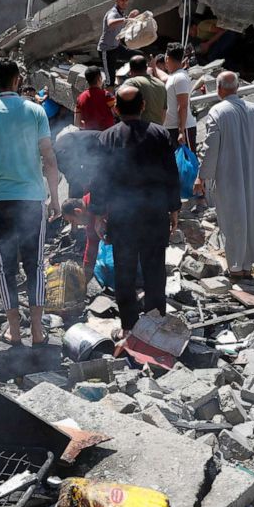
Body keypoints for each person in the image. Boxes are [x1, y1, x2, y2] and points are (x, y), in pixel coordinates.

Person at [0, 58, 61, 346]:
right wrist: (55, 197)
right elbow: (48, 157)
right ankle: (36, 330)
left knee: (5, 266)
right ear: (17, 80)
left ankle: (13, 331)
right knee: (34, 265)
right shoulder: (36, 111)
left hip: (1, 201)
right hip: (33, 200)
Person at [89, 85, 180, 337]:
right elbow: (171, 174)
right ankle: (155, 324)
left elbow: (100, 179)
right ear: (142, 106)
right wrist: (174, 209)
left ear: (116, 109)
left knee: (125, 271)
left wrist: (97, 213)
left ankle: (128, 326)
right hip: (154, 213)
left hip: (122, 216)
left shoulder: (106, 138)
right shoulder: (160, 134)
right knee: (155, 270)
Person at [196, 71, 254, 278]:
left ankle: (236, 268)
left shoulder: (218, 112)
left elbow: (211, 148)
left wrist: (202, 176)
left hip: (229, 176)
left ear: (219, 89)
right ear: (236, 88)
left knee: (233, 220)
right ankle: (250, 265)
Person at [97, 0, 139, 88]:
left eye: (126, 0)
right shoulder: (113, 13)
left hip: (116, 47)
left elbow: (122, 29)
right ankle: (108, 100)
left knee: (138, 56)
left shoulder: (121, 13)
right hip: (106, 50)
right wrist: (126, 19)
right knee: (110, 81)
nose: (124, 3)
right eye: (122, 0)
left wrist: (130, 18)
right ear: (116, 0)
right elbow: (111, 23)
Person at [163, 44, 198, 152]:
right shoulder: (173, 76)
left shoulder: (180, 77)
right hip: (172, 127)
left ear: (167, 58)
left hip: (183, 128)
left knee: (188, 164)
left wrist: (181, 131)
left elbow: (182, 105)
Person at [62, 195, 101, 282]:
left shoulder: (94, 211)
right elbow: (91, 247)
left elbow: (92, 245)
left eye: (72, 221)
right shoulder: (87, 199)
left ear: (78, 212)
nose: (76, 225)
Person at [123, 55, 167, 126]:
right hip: (157, 131)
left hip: (138, 131)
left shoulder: (131, 83)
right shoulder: (161, 84)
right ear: (146, 68)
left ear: (130, 70)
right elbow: (164, 111)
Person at [75, 66, 116, 131]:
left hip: (90, 135)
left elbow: (77, 123)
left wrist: (89, 126)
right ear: (99, 78)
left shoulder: (80, 98)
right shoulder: (107, 96)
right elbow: (117, 113)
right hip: (107, 135)